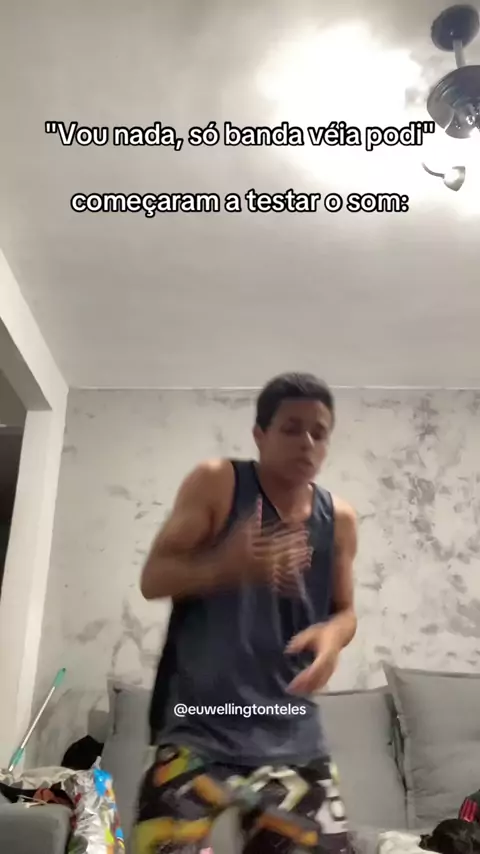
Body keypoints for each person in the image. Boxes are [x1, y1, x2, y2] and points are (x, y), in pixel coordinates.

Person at [133, 372, 358, 854]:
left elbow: (345, 612)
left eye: (320, 432)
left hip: (294, 737)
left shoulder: (338, 518)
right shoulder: (218, 483)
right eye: (292, 428)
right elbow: (153, 579)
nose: (307, 442)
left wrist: (332, 637)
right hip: (199, 730)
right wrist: (224, 565)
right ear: (260, 434)